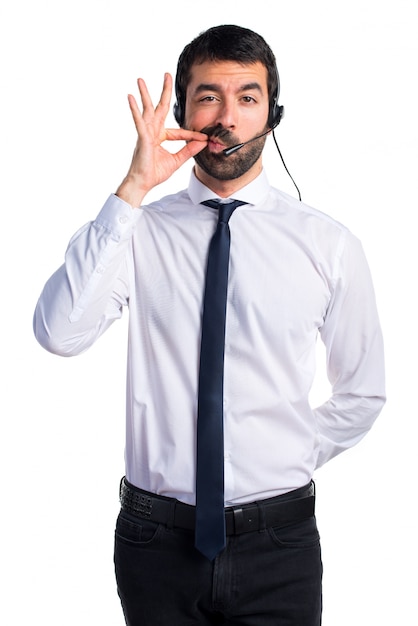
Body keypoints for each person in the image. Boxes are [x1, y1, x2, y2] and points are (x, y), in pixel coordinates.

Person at [33, 24, 386, 626]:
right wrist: (135, 187)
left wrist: (287, 451)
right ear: (181, 111)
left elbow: (362, 393)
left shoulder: (327, 245)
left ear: (273, 113)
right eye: (208, 97)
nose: (227, 117)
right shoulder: (133, 232)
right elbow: (60, 333)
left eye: (247, 98)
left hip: (281, 541)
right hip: (154, 542)